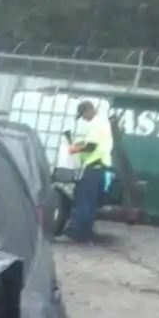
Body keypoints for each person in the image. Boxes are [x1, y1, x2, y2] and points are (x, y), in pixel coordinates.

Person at [64, 100, 115, 243]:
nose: (84, 119)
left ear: (88, 110)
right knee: (90, 202)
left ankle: (77, 230)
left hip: (94, 168)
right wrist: (79, 146)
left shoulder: (96, 124)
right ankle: (85, 233)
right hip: (100, 169)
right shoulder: (102, 123)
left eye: (83, 115)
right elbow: (89, 142)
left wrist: (75, 149)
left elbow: (91, 146)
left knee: (83, 199)